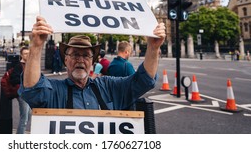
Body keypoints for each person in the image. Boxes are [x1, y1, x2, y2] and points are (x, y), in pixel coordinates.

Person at [19, 16, 166, 110]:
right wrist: (36, 46)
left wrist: (153, 48)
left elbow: (143, 81)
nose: (81, 60)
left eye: (86, 56)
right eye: (75, 54)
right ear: (66, 60)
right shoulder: (55, 90)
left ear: (92, 62)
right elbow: (32, 91)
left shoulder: (108, 86)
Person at [10, 46, 32, 134]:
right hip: (23, 94)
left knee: (29, 116)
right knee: (24, 118)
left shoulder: (31, 64)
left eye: (28, 53)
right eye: (25, 54)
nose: (27, 55)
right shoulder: (19, 66)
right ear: (21, 55)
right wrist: (24, 80)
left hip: (30, 93)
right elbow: (13, 79)